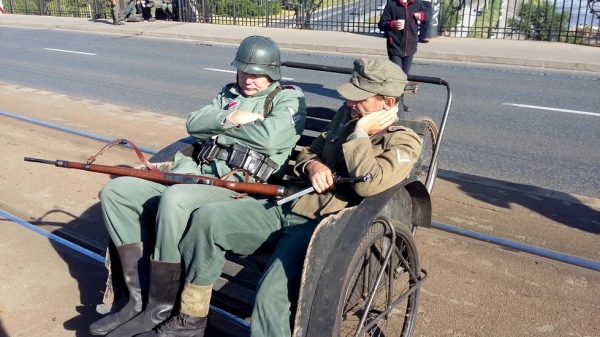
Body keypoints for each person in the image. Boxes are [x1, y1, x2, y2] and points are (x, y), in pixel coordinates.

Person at [148, 58, 423, 337]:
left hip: (321, 225)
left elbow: (368, 184)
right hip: (288, 204)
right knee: (208, 219)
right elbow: (308, 154)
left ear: (387, 103)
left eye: (359, 98)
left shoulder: (404, 141)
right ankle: (190, 320)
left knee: (271, 298)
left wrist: (361, 133)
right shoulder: (345, 114)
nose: (350, 103)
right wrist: (314, 165)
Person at [88, 35, 306, 336]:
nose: (249, 80)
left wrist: (220, 130)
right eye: (244, 71)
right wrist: (235, 118)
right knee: (117, 191)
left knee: (176, 200)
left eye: (256, 74)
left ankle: (162, 306)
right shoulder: (229, 94)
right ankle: (135, 300)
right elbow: (193, 123)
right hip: (193, 173)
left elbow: (270, 138)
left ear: (272, 73)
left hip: (236, 188)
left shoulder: (287, 99)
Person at [378, 0, 427, 116]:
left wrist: (421, 16)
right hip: (395, 47)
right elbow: (381, 24)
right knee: (396, 78)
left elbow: (427, 15)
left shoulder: (417, 3)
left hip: (410, 47)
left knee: (404, 78)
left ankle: (401, 102)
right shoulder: (391, 5)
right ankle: (396, 105)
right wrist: (392, 24)